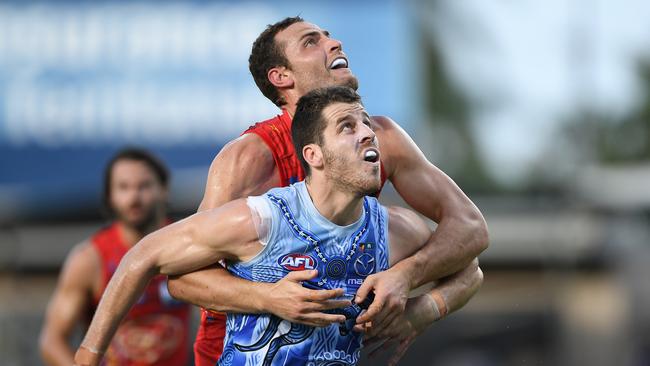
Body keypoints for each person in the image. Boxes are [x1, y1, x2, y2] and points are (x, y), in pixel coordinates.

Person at [74, 86, 482, 366]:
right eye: (347, 127)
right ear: (314, 155)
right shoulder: (260, 218)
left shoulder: (395, 230)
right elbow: (143, 255)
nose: (367, 135)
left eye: (367, 126)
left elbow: (470, 270)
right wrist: (88, 357)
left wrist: (422, 307)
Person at [166, 16, 489, 365]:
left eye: (329, 37)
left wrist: (413, 291)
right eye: (310, 42)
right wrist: (267, 298)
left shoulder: (382, 139)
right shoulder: (250, 156)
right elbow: (182, 279)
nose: (334, 44)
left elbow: (470, 234)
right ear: (281, 77)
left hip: (333, 350)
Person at [39, 148, 191, 366]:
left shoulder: (185, 244)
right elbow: (52, 340)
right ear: (110, 196)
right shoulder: (90, 259)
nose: (134, 197)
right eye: (123, 187)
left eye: (144, 186)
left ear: (164, 189)